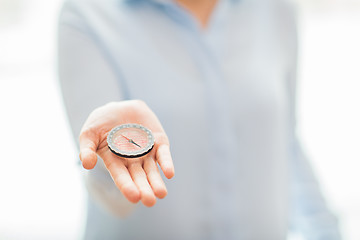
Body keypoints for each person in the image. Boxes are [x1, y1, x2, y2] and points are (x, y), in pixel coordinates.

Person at [58, 0, 342, 239]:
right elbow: (108, 186)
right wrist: (108, 160)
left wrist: (326, 230)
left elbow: (284, 146)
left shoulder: (273, 8)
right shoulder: (87, 14)